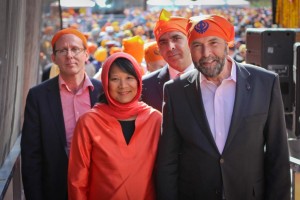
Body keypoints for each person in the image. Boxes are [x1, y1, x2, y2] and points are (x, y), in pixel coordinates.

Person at [155, 15, 291, 200]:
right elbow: (167, 162)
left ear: (228, 44)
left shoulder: (265, 83)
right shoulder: (175, 91)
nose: (206, 53)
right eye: (197, 45)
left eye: (213, 43)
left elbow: (278, 156)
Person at [21, 28, 103, 200]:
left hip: (100, 186)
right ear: (53, 58)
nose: (69, 55)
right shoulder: (38, 96)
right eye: (62, 50)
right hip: (56, 188)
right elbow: (31, 156)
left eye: (75, 49)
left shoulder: (103, 91)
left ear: (86, 54)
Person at [68, 52, 162, 200]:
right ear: (105, 82)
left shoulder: (155, 119)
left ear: (138, 80)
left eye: (129, 78)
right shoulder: (89, 122)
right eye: (115, 79)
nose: (123, 86)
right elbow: (77, 180)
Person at [141, 9, 194, 112]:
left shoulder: (211, 77)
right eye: (163, 42)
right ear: (159, 49)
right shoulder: (146, 86)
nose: (170, 47)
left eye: (176, 38)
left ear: (189, 40)